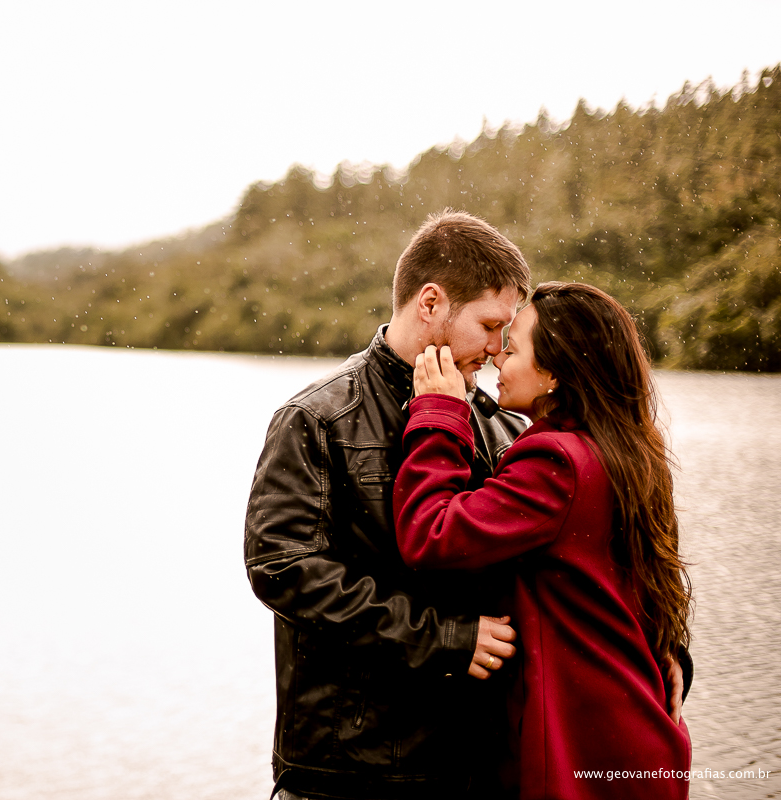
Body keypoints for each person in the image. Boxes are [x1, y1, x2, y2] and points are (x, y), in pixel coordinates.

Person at [244, 209, 533, 799]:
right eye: (489, 325)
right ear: (430, 304)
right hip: (348, 775)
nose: (500, 349)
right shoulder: (317, 418)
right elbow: (283, 569)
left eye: (509, 332)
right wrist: (443, 639)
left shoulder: (504, 429)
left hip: (476, 768)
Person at [393, 282, 692, 799]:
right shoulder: (627, 449)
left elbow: (431, 535)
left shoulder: (557, 464)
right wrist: (674, 654)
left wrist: (439, 414)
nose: (495, 358)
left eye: (512, 347)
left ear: (554, 372)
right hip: (629, 737)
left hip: (581, 757)